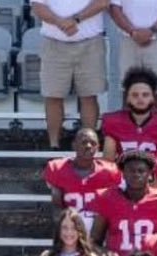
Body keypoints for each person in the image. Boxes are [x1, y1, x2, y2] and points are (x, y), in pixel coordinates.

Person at [29, 0, 106, 150]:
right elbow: (38, 6)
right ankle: (54, 146)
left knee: (89, 95)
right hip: (54, 43)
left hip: (90, 42)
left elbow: (103, 3)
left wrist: (75, 19)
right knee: (53, 96)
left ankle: (88, 144)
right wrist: (60, 22)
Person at [90, 152, 157, 256]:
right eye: (131, 170)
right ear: (123, 173)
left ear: (150, 174)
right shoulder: (108, 197)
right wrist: (106, 255)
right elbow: (93, 241)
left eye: (141, 171)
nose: (136, 174)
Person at [45, 128, 120, 233]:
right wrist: (67, 230)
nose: (89, 146)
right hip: (70, 229)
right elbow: (56, 206)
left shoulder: (110, 171)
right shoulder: (57, 168)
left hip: (99, 230)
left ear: (98, 147)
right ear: (74, 145)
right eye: (84, 142)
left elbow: (114, 206)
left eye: (93, 143)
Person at [110, 0, 157, 111]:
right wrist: (133, 32)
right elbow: (114, 8)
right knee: (128, 93)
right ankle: (128, 128)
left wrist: (152, 31)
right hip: (129, 40)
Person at [103, 68, 157, 160]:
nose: (140, 99)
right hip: (124, 173)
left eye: (145, 95)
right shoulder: (113, 122)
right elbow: (108, 164)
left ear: (153, 97)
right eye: (135, 95)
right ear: (127, 98)